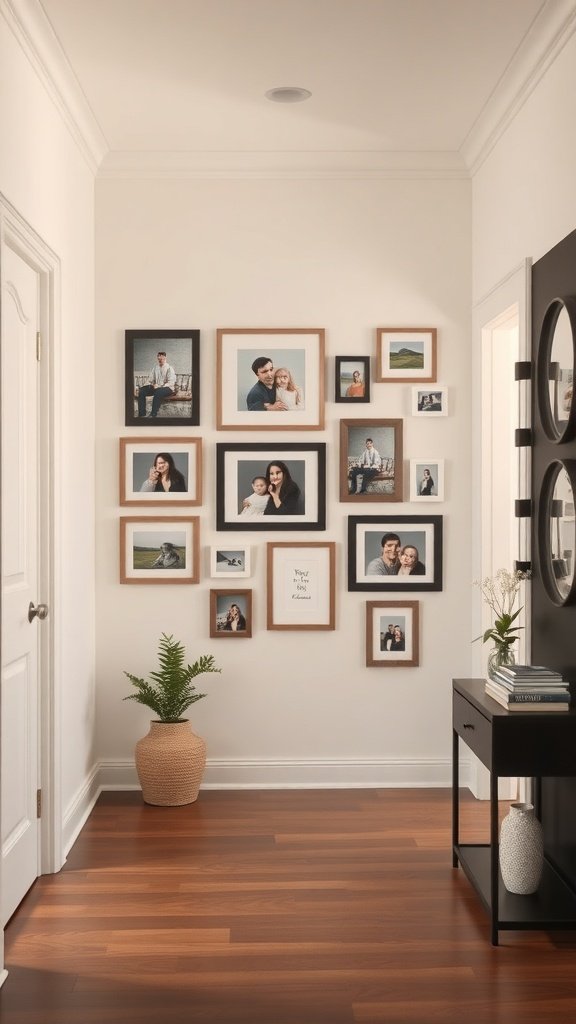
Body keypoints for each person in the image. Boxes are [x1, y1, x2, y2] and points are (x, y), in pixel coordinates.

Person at [137, 351, 177, 418]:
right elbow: (150, 379)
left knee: (158, 392)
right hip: (157, 387)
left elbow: (171, 382)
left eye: (162, 357)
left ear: (165, 358)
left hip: (168, 388)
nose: (160, 359)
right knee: (142, 391)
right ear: (157, 358)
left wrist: (160, 386)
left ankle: (153, 414)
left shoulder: (169, 368)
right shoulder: (155, 368)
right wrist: (149, 385)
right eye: (159, 357)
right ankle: (142, 414)